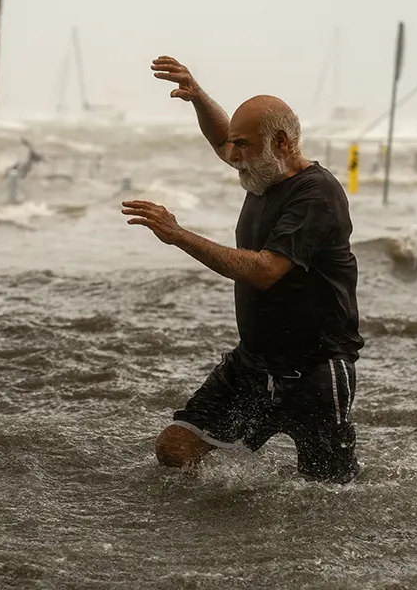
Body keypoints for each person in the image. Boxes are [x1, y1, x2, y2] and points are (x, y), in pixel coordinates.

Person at [121, 56, 364, 484]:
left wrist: (179, 235)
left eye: (245, 146)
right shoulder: (261, 171)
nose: (234, 156)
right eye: (236, 146)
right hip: (253, 365)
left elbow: (266, 270)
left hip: (316, 371)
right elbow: (222, 140)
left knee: (328, 495)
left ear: (283, 143)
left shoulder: (316, 194)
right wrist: (197, 97)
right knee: (176, 448)